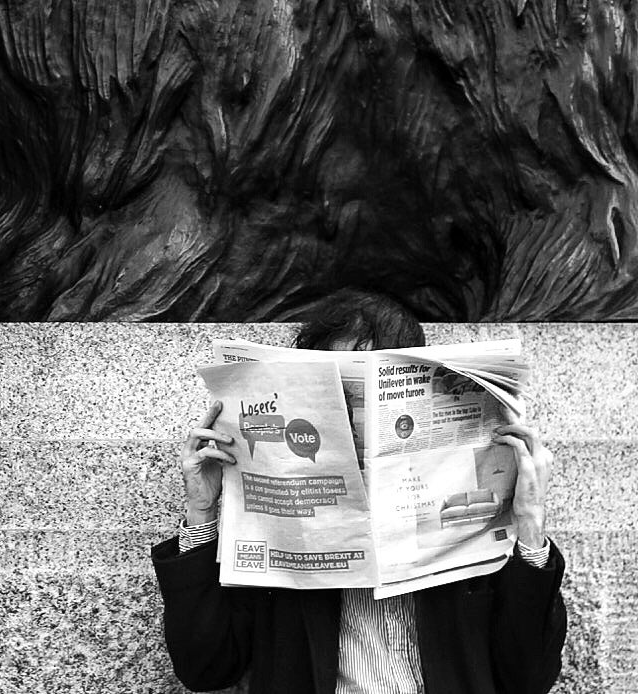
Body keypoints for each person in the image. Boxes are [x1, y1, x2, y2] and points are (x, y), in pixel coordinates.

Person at [152, 290, 567, 693]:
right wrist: (202, 511)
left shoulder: (469, 511)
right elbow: (205, 668)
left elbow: (527, 678)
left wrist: (530, 523)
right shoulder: (270, 523)